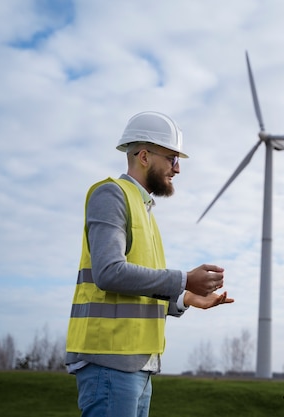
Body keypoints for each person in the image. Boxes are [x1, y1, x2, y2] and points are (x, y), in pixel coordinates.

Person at [65, 111, 234, 417]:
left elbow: (140, 286)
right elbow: (108, 273)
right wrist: (184, 279)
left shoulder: (144, 210)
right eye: (172, 158)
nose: (178, 168)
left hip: (138, 365)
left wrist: (186, 298)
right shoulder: (111, 195)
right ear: (144, 156)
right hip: (110, 362)